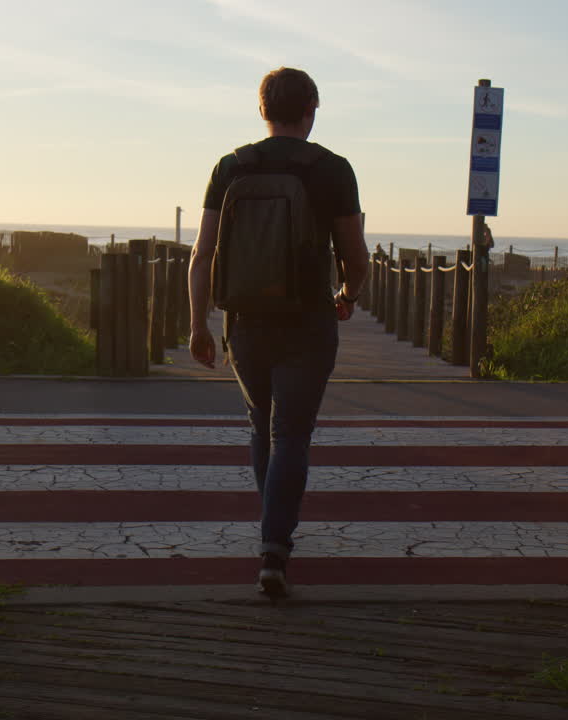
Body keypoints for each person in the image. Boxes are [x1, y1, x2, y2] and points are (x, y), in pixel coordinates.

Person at [188, 67, 369, 597]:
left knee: (261, 426)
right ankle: (274, 546)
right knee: (291, 433)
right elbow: (355, 257)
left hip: (244, 321)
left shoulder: (231, 166)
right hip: (309, 321)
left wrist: (199, 323)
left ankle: (273, 533)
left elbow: (202, 256)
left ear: (261, 108)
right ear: (313, 105)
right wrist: (349, 296)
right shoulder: (332, 169)